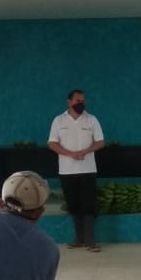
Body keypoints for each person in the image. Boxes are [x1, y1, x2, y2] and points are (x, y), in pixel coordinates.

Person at [48, 89, 105, 252]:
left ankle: (90, 241)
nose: (81, 104)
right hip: (66, 171)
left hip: (88, 169)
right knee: (74, 205)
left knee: (89, 204)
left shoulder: (91, 119)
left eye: (83, 101)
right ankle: (79, 239)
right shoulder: (58, 120)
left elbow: (100, 142)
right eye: (78, 101)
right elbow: (52, 143)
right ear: (69, 102)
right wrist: (71, 154)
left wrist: (85, 151)